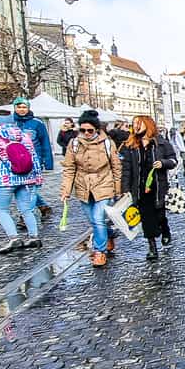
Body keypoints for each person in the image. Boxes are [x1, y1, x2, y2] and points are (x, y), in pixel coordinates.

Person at [61, 110, 122, 268]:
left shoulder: (107, 143)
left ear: (97, 129)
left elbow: (116, 167)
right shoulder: (74, 144)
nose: (86, 133)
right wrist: (66, 191)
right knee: (94, 221)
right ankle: (109, 234)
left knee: (97, 219)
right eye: (83, 130)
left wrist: (118, 189)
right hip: (83, 186)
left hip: (104, 183)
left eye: (90, 130)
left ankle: (99, 252)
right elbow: (69, 168)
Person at [120, 115, 177, 260]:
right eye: (134, 124)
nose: (136, 126)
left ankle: (165, 229)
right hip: (139, 188)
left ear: (147, 124)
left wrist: (163, 163)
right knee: (146, 217)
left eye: (139, 123)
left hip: (158, 186)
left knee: (160, 215)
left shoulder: (161, 143)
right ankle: (152, 247)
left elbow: (173, 160)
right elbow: (126, 169)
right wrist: (125, 188)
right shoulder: (131, 145)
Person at [0, 122, 44, 254]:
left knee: (2, 209)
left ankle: (14, 238)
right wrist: (38, 178)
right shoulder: (24, 135)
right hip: (26, 178)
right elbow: (34, 158)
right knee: (27, 210)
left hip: (5, 180)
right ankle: (34, 237)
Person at [9, 97, 55, 220]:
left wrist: (48, 162)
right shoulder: (10, 122)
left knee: (29, 188)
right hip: (15, 161)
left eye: (24, 107)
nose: (21, 109)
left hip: (34, 161)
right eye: (19, 107)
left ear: (28, 108)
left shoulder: (37, 123)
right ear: (14, 108)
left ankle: (25, 217)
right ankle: (42, 206)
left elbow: (45, 142)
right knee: (20, 187)